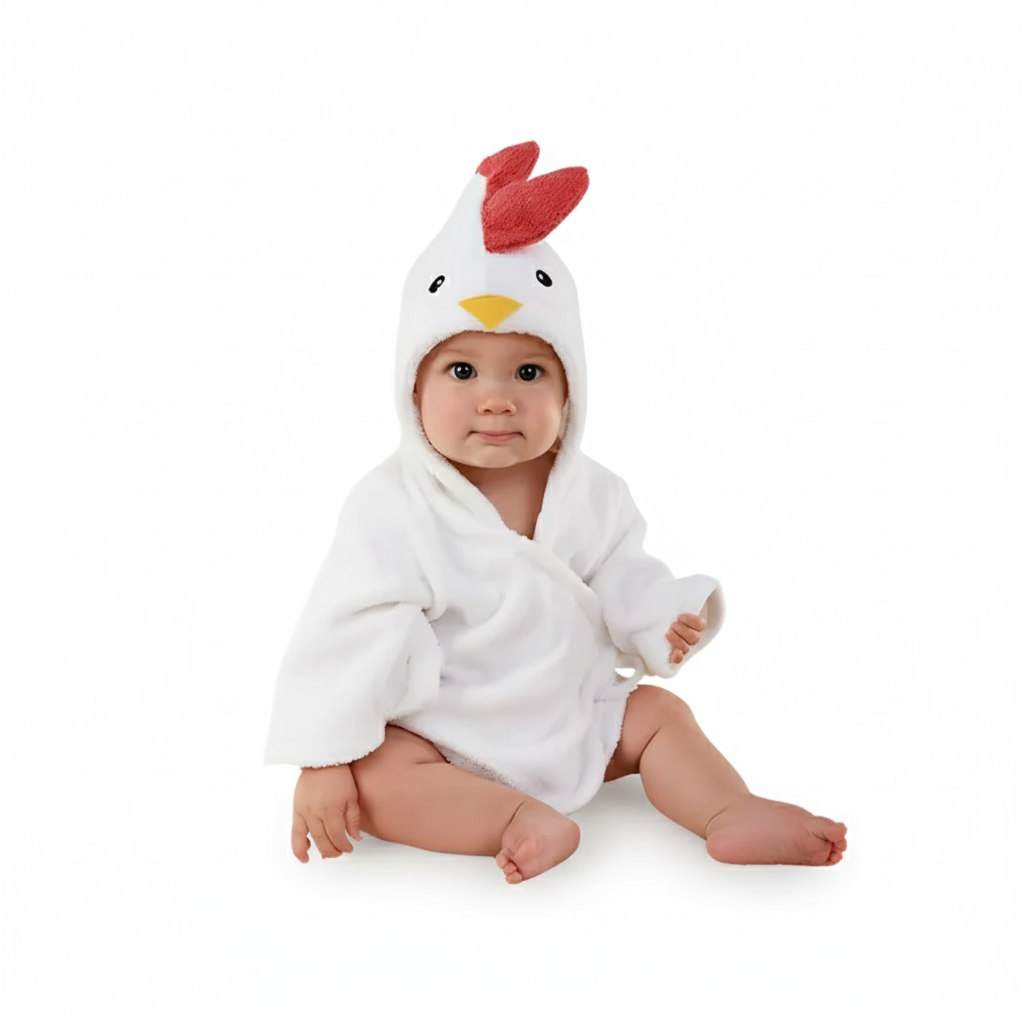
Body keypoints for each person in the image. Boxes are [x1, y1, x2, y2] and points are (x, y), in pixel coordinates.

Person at [264, 142, 847, 884]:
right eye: (462, 370)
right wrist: (323, 757)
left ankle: (729, 809)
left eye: (529, 371)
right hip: (443, 732)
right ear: (412, 390)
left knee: (657, 716)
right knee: (374, 777)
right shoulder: (391, 506)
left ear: (571, 393)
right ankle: (514, 819)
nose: (496, 398)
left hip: (573, 713)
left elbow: (625, 577)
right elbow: (348, 630)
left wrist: (660, 619)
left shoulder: (593, 493)